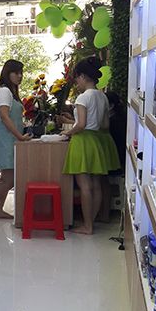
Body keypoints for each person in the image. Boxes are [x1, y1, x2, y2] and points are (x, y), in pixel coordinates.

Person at [60, 57, 120, 235]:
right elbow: (104, 125)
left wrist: (67, 133)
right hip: (96, 141)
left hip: (82, 141)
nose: (76, 82)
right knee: (96, 184)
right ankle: (91, 221)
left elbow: (81, 124)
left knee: (84, 185)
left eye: (77, 78)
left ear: (84, 77)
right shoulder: (102, 96)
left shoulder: (82, 98)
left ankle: (87, 226)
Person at [0, 59, 31, 219]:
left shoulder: (10, 91)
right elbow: (4, 116)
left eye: (21, 73)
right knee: (9, 180)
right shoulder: (4, 92)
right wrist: (20, 136)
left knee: (6, 178)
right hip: (6, 141)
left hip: (10, 141)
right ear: (7, 73)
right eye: (16, 73)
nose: (19, 76)